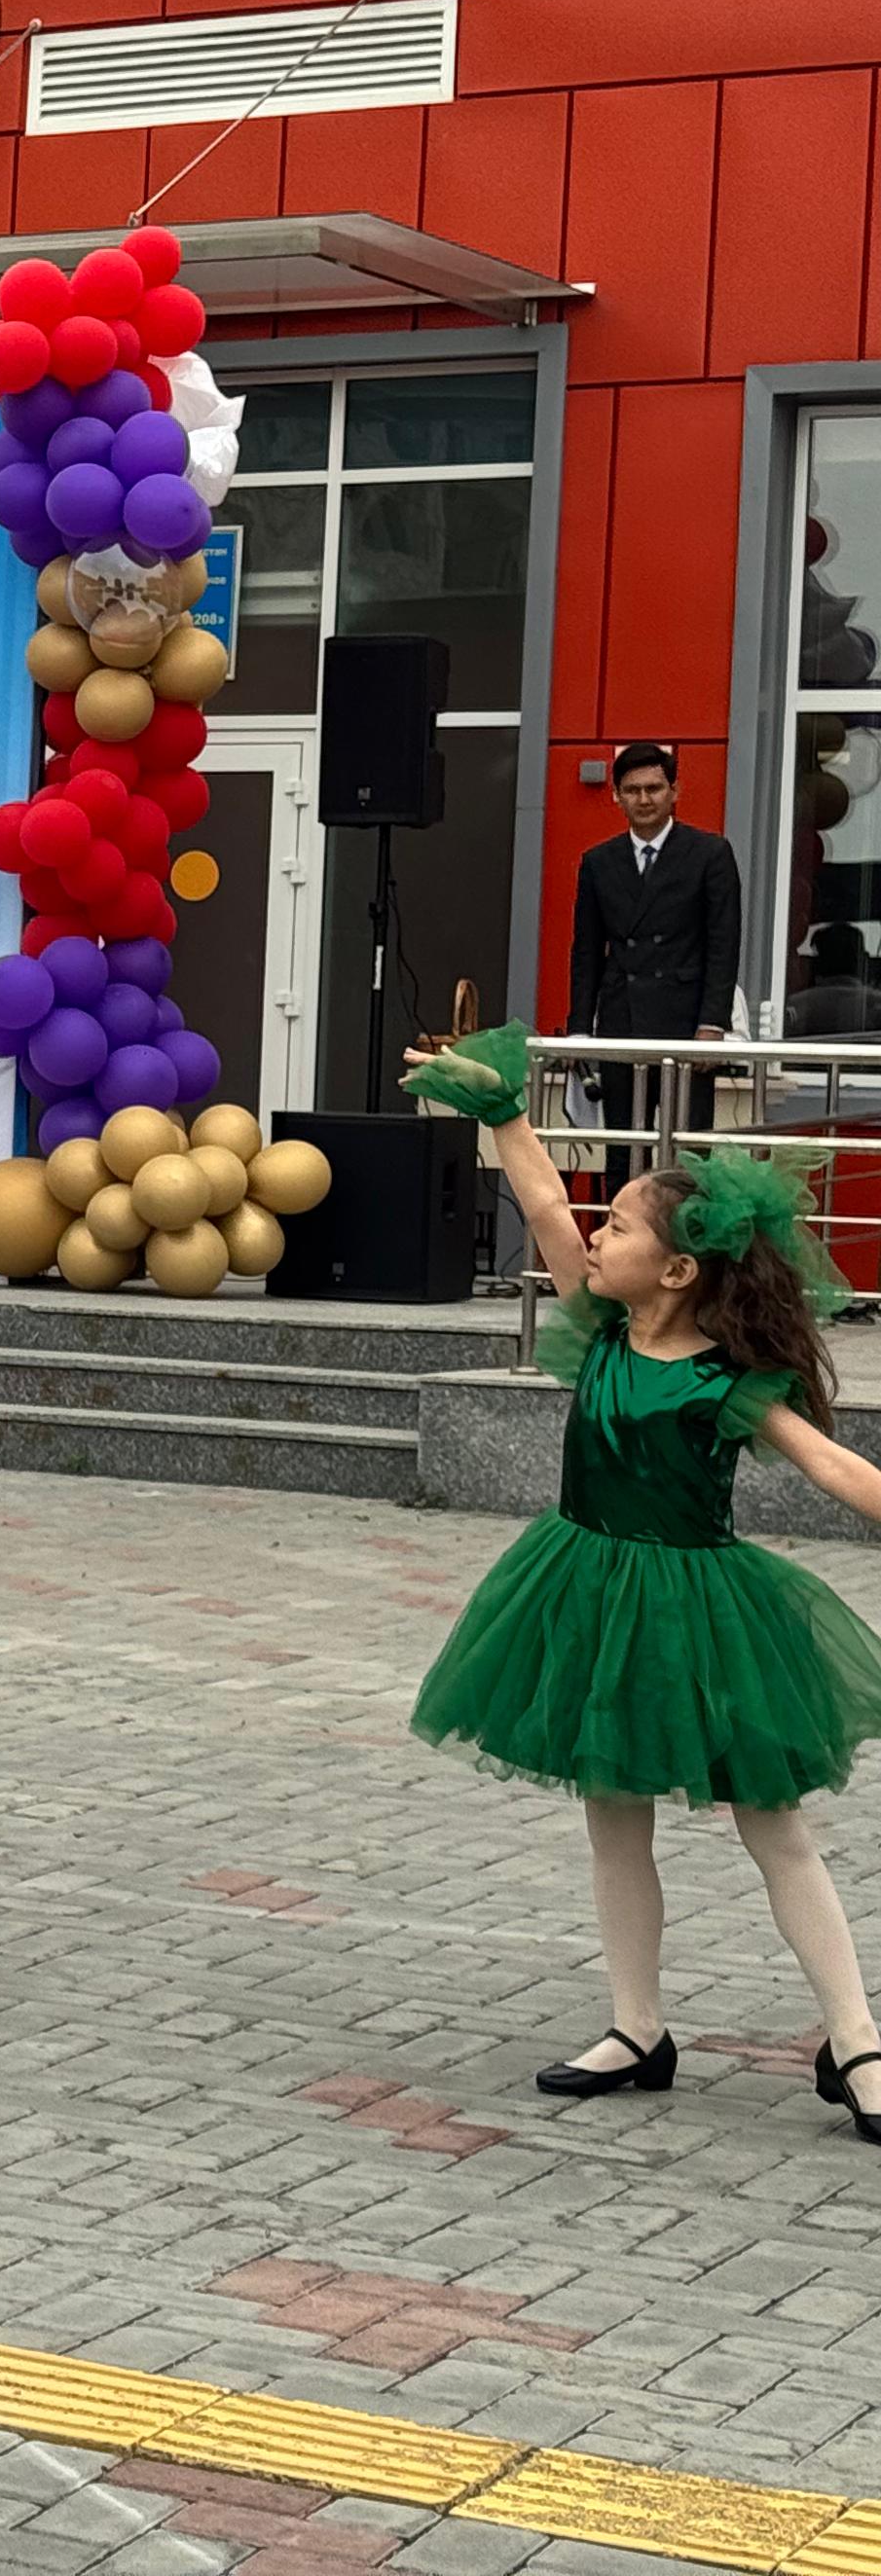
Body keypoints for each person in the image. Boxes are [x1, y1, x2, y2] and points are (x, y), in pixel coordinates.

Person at [401, 1022, 881, 2132]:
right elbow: (540, 1203)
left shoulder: (728, 1382)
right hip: (585, 1593)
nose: (595, 1232)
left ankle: (857, 2040)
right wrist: (504, 1111)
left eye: (618, 1224)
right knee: (613, 1815)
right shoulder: (600, 1329)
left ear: (676, 1270)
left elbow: (836, 1466)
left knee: (773, 1822)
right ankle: (637, 2025)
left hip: (703, 1614)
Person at [568, 742, 745, 1181]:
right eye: (632, 790)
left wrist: (712, 1025)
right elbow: (587, 951)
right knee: (624, 1152)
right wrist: (579, 1031)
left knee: (690, 1154)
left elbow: (723, 945)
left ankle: (687, 1229)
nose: (644, 799)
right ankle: (623, 1227)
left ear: (674, 791)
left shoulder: (709, 853)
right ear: (616, 796)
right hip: (621, 1020)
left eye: (654, 788)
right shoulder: (598, 861)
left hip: (686, 1024)